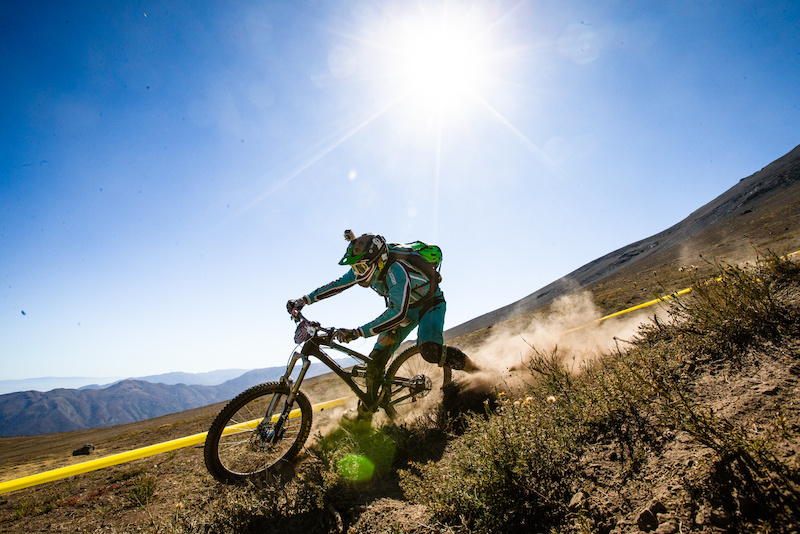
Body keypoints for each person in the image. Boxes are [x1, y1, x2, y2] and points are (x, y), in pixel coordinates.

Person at [287, 230, 478, 419]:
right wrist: (304, 300)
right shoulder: (366, 266)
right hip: (404, 308)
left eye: (361, 267)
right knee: (375, 361)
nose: (357, 273)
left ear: (378, 261)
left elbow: (397, 314)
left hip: (429, 304)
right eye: (355, 268)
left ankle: (476, 371)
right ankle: (365, 413)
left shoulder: (397, 271)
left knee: (430, 350)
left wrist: (357, 332)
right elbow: (337, 285)